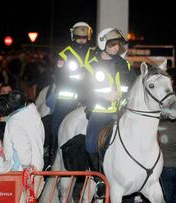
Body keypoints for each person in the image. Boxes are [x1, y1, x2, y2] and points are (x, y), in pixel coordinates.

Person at [85, 27, 136, 197]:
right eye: (113, 44)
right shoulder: (90, 65)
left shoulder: (125, 64)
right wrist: (104, 96)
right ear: (102, 43)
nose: (117, 48)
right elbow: (83, 91)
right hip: (100, 113)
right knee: (91, 142)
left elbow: (133, 87)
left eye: (118, 45)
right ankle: (98, 179)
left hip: (123, 113)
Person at [45, 21, 95, 162]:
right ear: (73, 36)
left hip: (89, 96)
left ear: (88, 36)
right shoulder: (65, 54)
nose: (81, 40)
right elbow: (60, 77)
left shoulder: (95, 53)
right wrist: (79, 78)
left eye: (84, 37)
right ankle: (52, 154)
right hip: (68, 97)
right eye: (79, 37)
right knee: (58, 123)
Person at [3, 90, 45, 201]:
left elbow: (23, 150)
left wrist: (26, 167)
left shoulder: (15, 121)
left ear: (8, 105)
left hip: (22, 174)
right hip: (35, 170)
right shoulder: (34, 116)